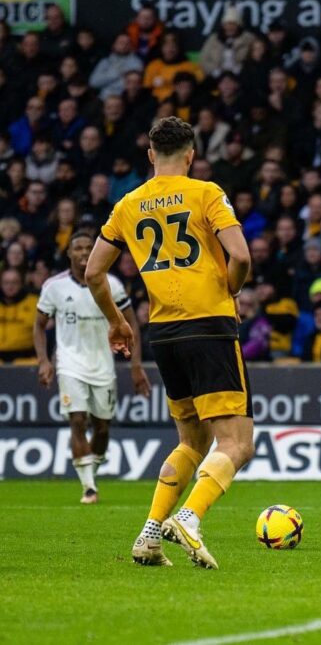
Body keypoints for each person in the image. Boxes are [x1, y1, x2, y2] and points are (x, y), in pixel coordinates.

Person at [85, 116, 253, 569]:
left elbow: (93, 273)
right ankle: (190, 518)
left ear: (150, 154)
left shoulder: (128, 204)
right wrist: (231, 288)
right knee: (237, 443)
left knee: (191, 440)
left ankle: (150, 535)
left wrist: (118, 322)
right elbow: (240, 255)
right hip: (210, 325)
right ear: (192, 155)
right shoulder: (206, 193)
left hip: (164, 331)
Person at [33, 231, 150, 504]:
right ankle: (89, 488)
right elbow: (39, 325)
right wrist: (43, 361)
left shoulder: (112, 284)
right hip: (69, 363)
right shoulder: (54, 286)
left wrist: (135, 366)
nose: (84, 252)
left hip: (102, 364)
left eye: (89, 247)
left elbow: (131, 324)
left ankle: (90, 475)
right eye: (78, 248)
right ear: (69, 253)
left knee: (102, 428)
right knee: (77, 420)